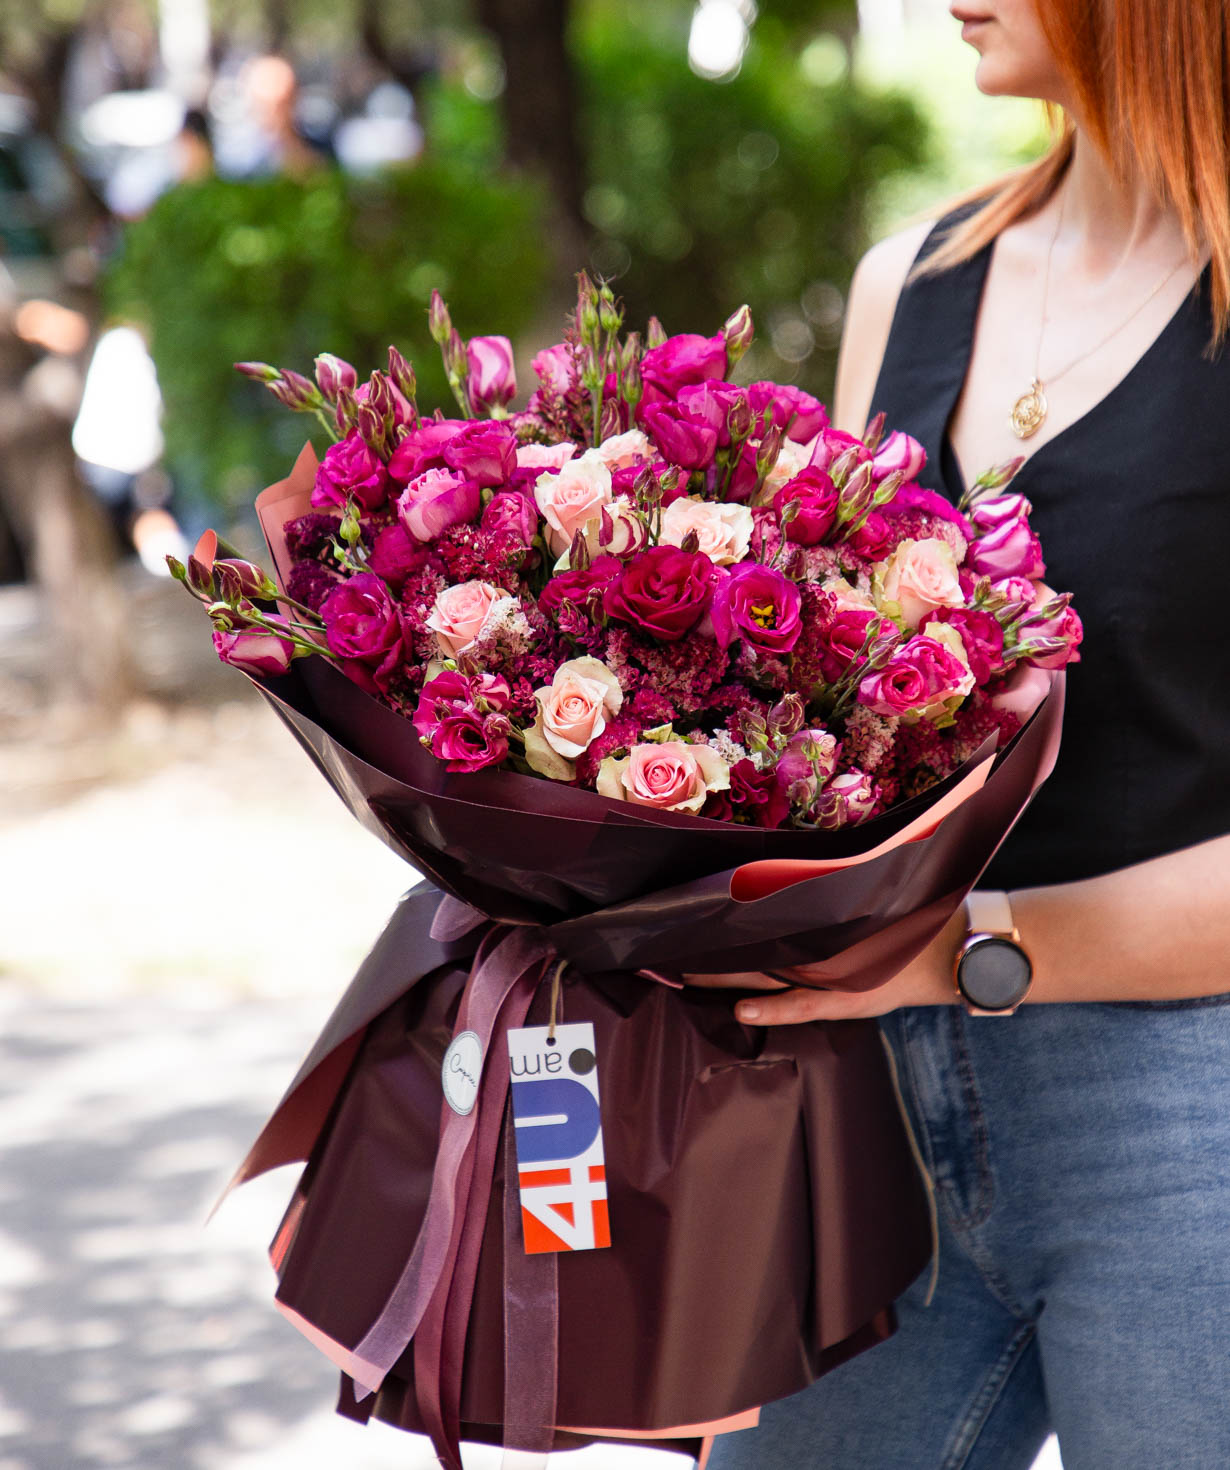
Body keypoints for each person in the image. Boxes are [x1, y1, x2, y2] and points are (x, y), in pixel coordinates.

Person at [695, 2, 1230, 1465]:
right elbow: (839, 710)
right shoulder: (912, 281)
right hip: (872, 1100)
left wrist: (946, 949)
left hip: (1187, 1114)